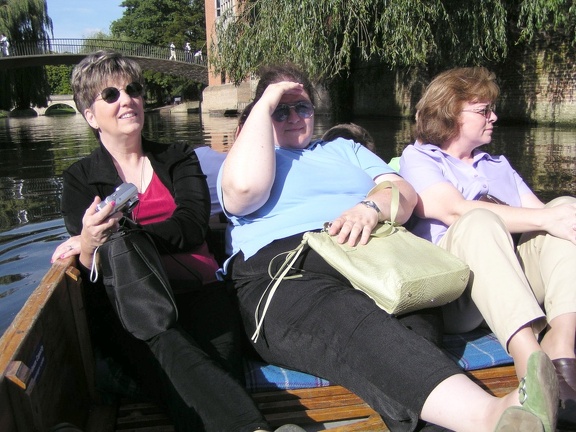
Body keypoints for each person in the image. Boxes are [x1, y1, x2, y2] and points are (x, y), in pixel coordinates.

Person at [218, 63, 559, 432]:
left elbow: (404, 192)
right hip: (288, 267)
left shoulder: (343, 148)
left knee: (417, 319)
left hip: (379, 256)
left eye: (302, 107)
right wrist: (267, 99)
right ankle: (490, 416)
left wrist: (370, 208)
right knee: (348, 317)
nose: (294, 118)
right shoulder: (250, 158)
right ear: (261, 115)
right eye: (280, 110)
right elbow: (243, 193)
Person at [51, 50, 303, 432]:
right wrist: (88, 243)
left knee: (200, 377)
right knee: (160, 336)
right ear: (90, 115)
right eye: (111, 95)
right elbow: (91, 264)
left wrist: (126, 233)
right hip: (132, 303)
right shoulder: (79, 178)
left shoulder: (177, 157)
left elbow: (191, 226)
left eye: (133, 89)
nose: (127, 100)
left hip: (201, 291)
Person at [399, 66, 576, 429]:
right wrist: (545, 220)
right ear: (449, 112)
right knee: (477, 221)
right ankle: (529, 360)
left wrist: (558, 215)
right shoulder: (419, 159)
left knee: (562, 207)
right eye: (483, 111)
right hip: (458, 295)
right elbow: (450, 209)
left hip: (513, 286)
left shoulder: (499, 165)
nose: (494, 117)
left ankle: (562, 346)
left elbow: (544, 218)